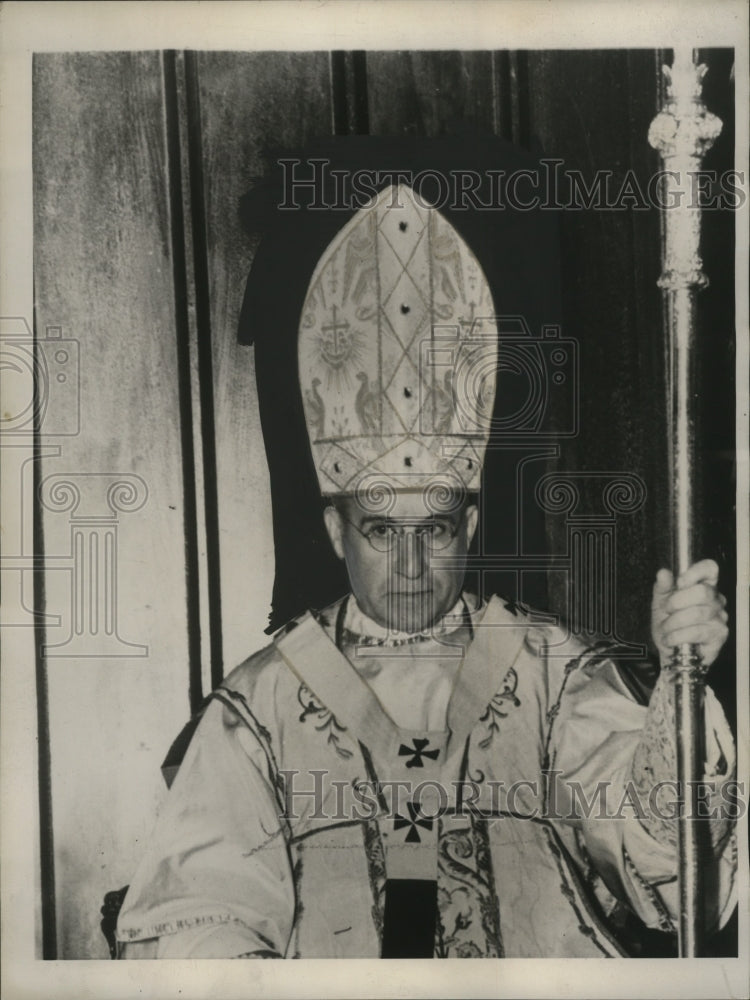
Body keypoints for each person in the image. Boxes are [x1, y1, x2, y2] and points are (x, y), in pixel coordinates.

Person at [116, 184, 736, 958]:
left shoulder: (554, 677)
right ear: (335, 531)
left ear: (469, 526)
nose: (410, 564)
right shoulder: (262, 706)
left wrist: (680, 691)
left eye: (434, 529)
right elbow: (197, 916)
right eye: (381, 530)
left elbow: (666, 864)